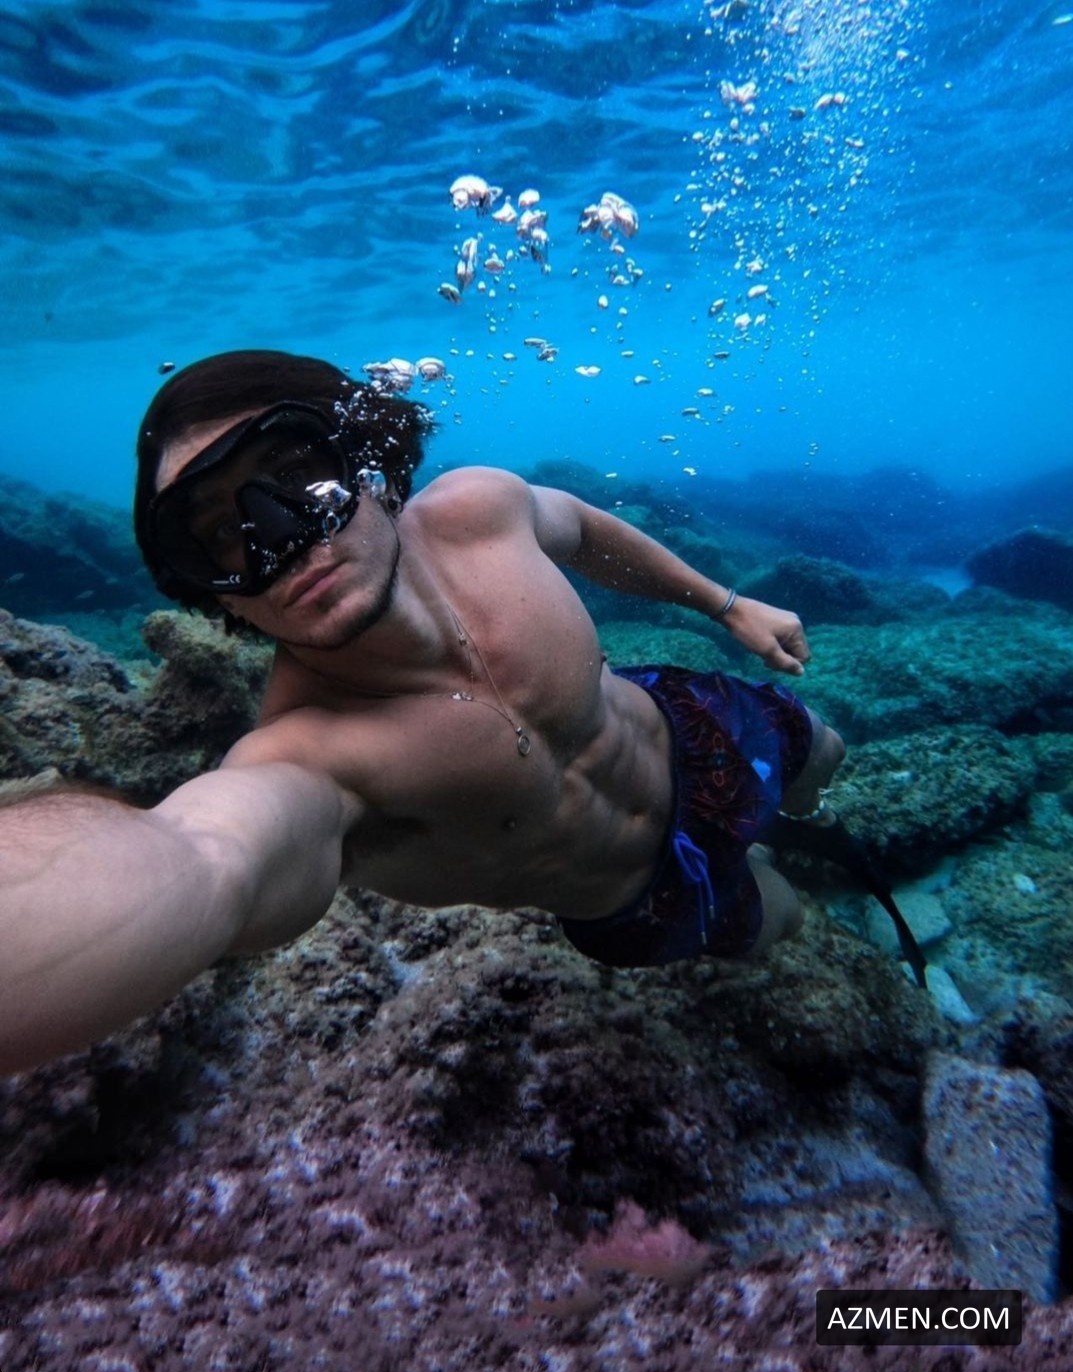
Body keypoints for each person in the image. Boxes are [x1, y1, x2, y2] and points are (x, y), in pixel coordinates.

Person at [0, 349, 847, 1076]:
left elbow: (585, 531)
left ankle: (798, 802)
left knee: (825, 750)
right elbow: (207, 854)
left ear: (365, 458)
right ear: (212, 592)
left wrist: (725, 604)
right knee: (784, 918)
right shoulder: (306, 759)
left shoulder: (479, 512)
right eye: (221, 537)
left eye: (294, 477)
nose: (281, 540)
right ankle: (768, 856)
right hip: (646, 896)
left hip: (691, 723)